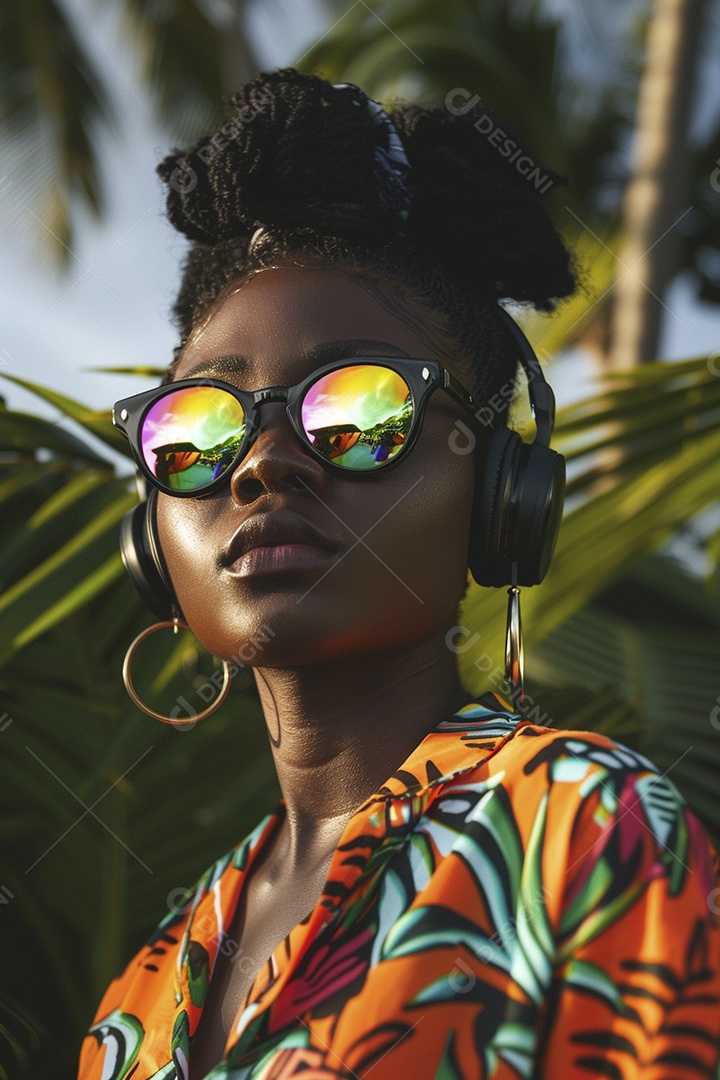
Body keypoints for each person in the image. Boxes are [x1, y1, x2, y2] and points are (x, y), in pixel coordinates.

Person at [77, 68, 720, 1080]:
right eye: (199, 428)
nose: (261, 461)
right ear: (152, 540)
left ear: (499, 494)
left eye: (357, 409)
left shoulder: (585, 827)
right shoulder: (141, 993)